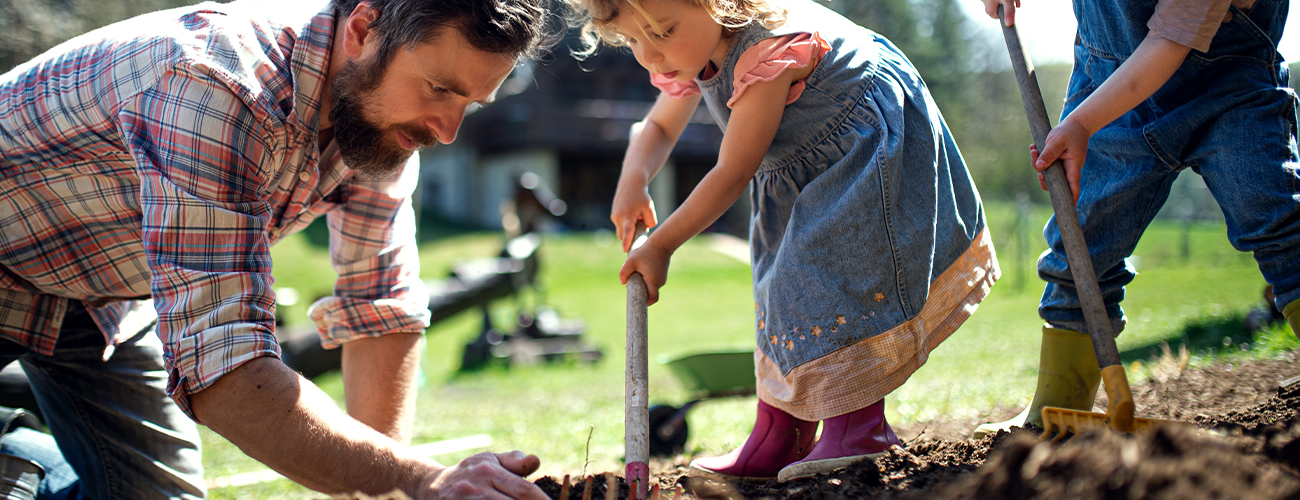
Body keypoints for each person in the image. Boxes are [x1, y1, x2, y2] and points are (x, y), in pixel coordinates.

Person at [0, 0, 557, 498]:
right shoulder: (215, 82)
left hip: (98, 292)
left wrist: (386, 490)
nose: (448, 129)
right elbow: (223, 369)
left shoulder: (380, 117)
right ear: (363, 30)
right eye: (439, 88)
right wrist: (419, 479)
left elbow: (380, 308)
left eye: (471, 103)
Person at [562, 0, 1000, 482]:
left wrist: (663, 244)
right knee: (781, 290)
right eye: (632, 40)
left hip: (861, 147)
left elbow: (733, 169)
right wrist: (633, 179)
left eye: (662, 33)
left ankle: (858, 428)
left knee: (836, 282)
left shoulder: (767, 49)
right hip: (800, 167)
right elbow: (661, 126)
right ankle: (779, 434)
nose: (649, 55)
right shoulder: (693, 47)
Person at [974, 0, 1300, 437]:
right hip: (1110, 84)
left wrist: (1082, 125)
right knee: (1081, 248)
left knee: (1279, 223)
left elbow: (1171, 40)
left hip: (1231, 89)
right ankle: (1057, 404)